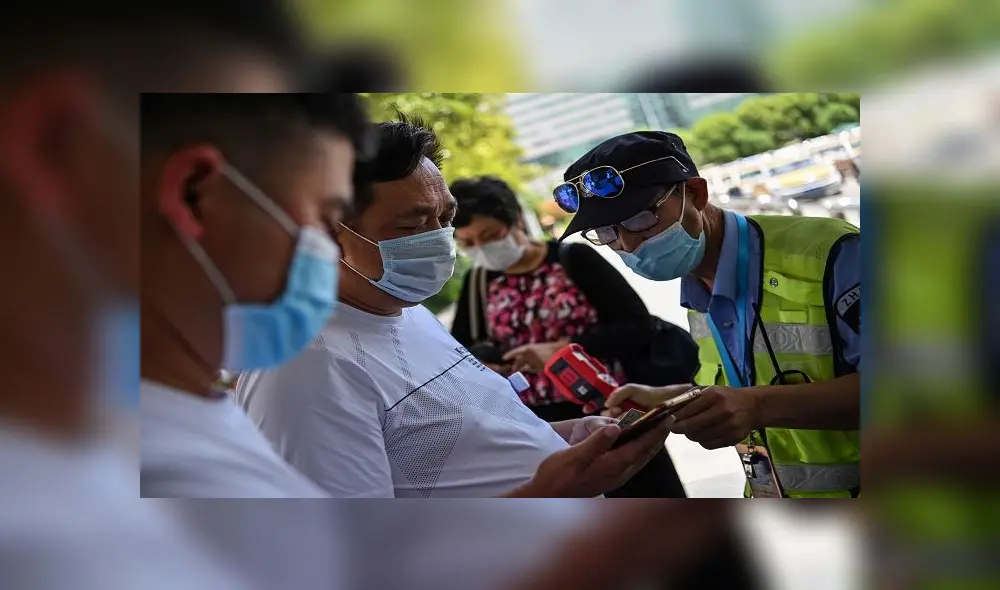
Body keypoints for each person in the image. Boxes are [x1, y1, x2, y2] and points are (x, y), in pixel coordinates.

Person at [236, 116, 673, 498]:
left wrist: (564, 439)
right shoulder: (303, 369)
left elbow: (453, 451)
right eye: (413, 225)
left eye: (446, 219)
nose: (440, 240)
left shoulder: (405, 311)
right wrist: (549, 493)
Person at [556, 131, 861, 499]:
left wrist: (756, 407)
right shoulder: (696, 286)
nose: (628, 244)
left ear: (696, 194)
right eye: (606, 232)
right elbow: (745, 387)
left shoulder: (834, 254)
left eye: (640, 219)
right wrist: (672, 399)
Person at [449, 176, 649, 422]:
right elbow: (457, 352)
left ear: (517, 219)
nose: (481, 248)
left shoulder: (573, 259)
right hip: (533, 423)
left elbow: (637, 327)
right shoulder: (477, 281)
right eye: (468, 243)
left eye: (490, 235)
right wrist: (485, 367)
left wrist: (561, 350)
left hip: (608, 406)